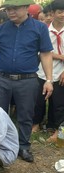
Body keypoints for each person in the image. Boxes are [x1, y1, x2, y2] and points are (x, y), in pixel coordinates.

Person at [0, 0, 53, 163]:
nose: (11, 12)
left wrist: (48, 79)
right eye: (8, 9)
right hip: (2, 79)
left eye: (15, 8)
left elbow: (46, 54)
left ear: (26, 8)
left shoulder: (39, 28)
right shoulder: (1, 30)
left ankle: (23, 146)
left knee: (25, 114)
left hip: (28, 80)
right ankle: (1, 144)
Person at [34, 0, 64, 143]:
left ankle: (57, 129)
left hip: (61, 72)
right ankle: (35, 124)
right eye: (60, 12)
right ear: (52, 13)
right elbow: (41, 51)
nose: (63, 15)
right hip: (43, 71)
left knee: (59, 103)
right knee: (39, 100)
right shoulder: (44, 30)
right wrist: (60, 56)